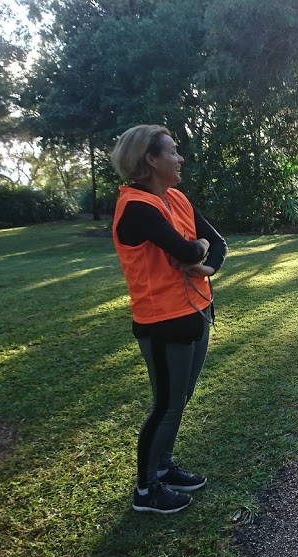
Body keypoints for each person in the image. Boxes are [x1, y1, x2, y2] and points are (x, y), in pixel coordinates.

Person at [110, 125, 227, 514]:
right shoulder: (137, 207)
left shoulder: (175, 197)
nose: (180, 158)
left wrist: (205, 266)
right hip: (162, 321)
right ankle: (145, 491)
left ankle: (163, 467)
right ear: (151, 160)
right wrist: (199, 249)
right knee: (166, 404)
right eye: (173, 151)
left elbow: (214, 244)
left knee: (181, 399)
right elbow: (186, 246)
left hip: (196, 311)